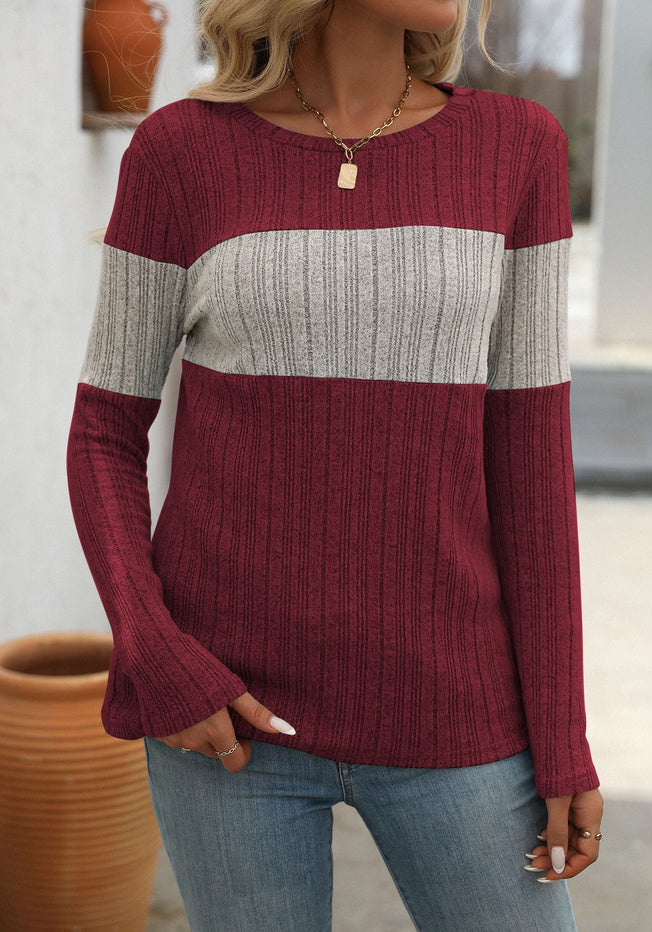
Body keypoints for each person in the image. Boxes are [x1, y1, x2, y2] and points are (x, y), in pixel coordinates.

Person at [66, 0, 604, 928]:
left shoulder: (517, 145)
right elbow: (104, 431)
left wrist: (562, 734)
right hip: (230, 720)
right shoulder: (179, 152)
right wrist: (158, 657)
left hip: (456, 707)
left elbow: (532, 467)